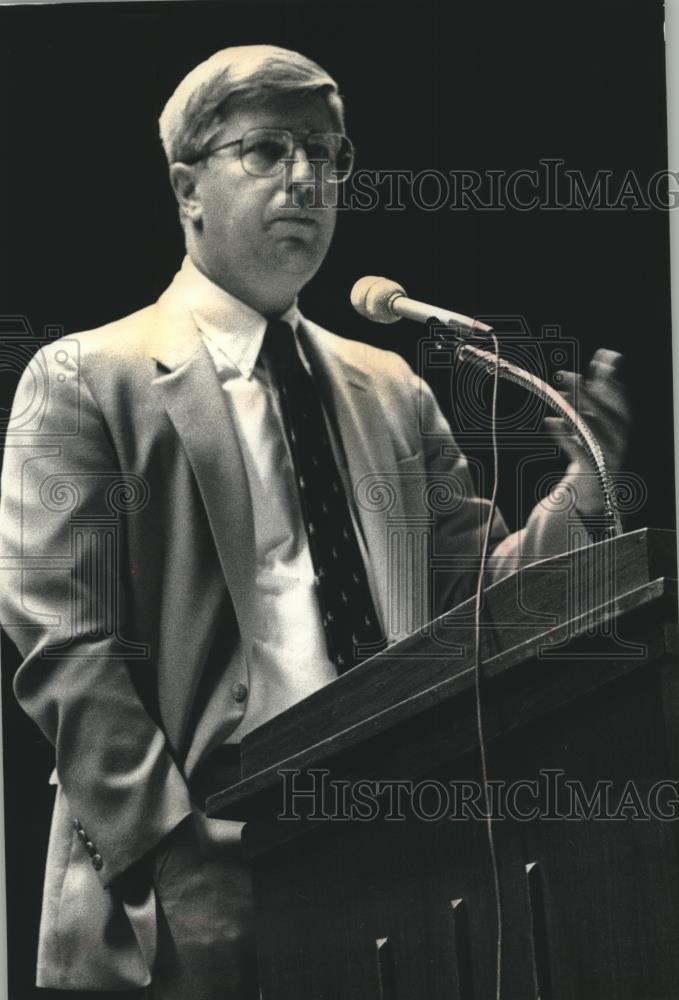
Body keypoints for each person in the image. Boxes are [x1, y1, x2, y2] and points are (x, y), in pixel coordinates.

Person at [0, 44, 629, 1000]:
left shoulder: (390, 386)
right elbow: (68, 649)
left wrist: (583, 495)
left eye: (328, 154)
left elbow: (471, 610)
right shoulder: (88, 378)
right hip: (197, 869)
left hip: (400, 851)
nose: (306, 178)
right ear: (187, 188)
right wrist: (178, 865)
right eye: (265, 150)